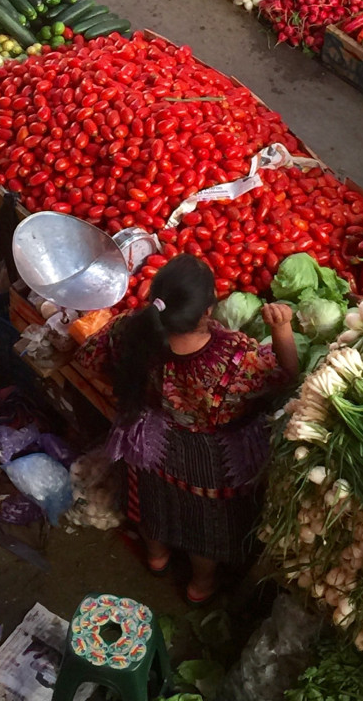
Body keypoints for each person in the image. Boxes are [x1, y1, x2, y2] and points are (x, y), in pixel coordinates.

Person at [76, 255, 299, 604]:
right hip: (207, 460)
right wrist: (282, 328)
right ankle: (199, 587)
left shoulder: (132, 329)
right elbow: (285, 378)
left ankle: (157, 558)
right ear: (208, 311)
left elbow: (89, 356)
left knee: (152, 504)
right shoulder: (235, 356)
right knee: (202, 527)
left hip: (148, 442)